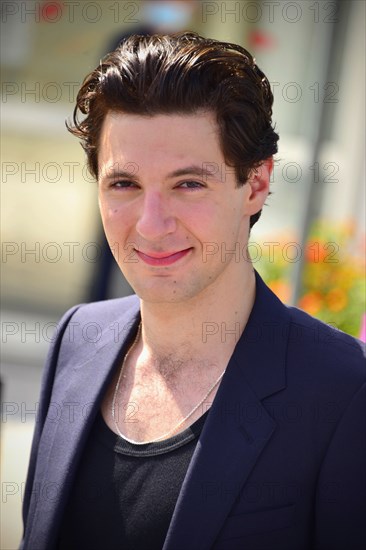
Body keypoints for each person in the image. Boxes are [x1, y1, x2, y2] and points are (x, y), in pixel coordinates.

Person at [21, 32, 365, 550]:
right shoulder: (77, 338)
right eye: (124, 184)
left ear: (255, 184)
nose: (152, 224)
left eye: (188, 184)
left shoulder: (343, 390)